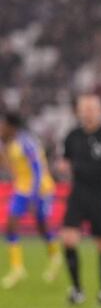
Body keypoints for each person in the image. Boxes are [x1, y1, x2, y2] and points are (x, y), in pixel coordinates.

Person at [60, 94, 101, 306]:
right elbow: (65, 162)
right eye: (84, 108)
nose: (88, 112)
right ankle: (77, 289)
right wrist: (62, 169)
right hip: (78, 192)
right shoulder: (72, 135)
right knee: (68, 239)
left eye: (92, 108)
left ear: (100, 110)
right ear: (79, 111)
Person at [0, 113, 62, 288]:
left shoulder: (26, 142)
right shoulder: (7, 144)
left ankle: (55, 258)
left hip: (40, 189)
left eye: (3, 125)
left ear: (11, 127)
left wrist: (35, 196)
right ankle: (17, 269)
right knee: (10, 226)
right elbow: (8, 166)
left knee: (42, 226)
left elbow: (37, 169)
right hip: (21, 188)